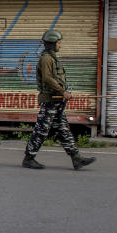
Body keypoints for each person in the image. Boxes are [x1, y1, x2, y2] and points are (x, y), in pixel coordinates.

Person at [22, 29, 95, 170]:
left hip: (57, 101)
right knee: (41, 130)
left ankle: (76, 158)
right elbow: (48, 79)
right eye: (58, 43)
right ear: (52, 44)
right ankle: (29, 158)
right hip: (49, 100)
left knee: (63, 129)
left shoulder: (53, 58)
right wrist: (62, 92)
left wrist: (64, 93)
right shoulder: (46, 59)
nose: (60, 45)